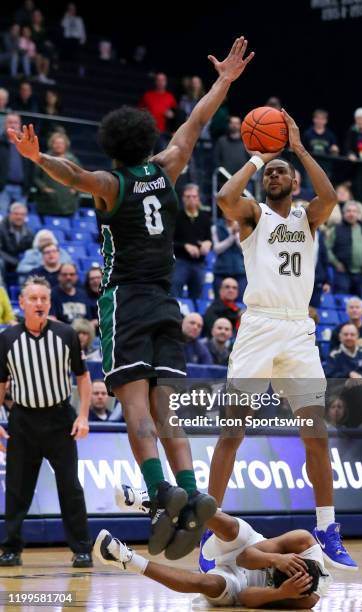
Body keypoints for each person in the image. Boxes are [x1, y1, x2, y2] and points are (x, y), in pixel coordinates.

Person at [7, 37, 255, 560]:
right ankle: (191, 490)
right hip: (169, 303)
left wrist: (37, 157)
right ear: (145, 139)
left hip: (127, 304)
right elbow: (194, 125)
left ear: (113, 145)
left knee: (136, 406)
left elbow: (73, 175)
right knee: (170, 412)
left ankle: (162, 491)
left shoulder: (112, 184)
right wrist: (224, 81)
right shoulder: (168, 167)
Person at [207, 108, 357, 569]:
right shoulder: (253, 216)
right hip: (259, 326)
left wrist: (298, 149)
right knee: (233, 430)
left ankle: (327, 528)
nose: (274, 174)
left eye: (281, 172)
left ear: (293, 183)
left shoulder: (308, 218)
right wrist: (257, 156)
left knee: (316, 432)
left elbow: (329, 195)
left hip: (298, 330)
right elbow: (224, 198)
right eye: (269, 172)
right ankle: (208, 535)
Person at [0, 276, 93, 568]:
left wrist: (83, 415)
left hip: (59, 419)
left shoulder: (66, 334)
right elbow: (1, 383)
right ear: (22, 303)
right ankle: (11, 549)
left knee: (70, 486)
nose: (39, 303)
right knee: (17, 488)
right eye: (34, 298)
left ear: (50, 303)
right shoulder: (7, 339)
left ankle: (81, 549)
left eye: (44, 298)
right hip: (23, 419)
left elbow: (83, 376)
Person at [94, 499, 331, 609]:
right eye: (286, 569)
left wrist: (280, 592)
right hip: (252, 550)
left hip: (242, 582)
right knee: (231, 527)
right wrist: (276, 559)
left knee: (207, 583)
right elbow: (244, 557)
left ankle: (125, 559)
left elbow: (247, 596)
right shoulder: (303, 541)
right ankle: (155, 504)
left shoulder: (305, 597)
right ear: (298, 558)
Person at [171, 183, 212, 300]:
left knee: (198, 298)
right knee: (176, 295)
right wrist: (185, 246)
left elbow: (209, 239)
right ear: (183, 199)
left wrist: (208, 243)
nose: (191, 200)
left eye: (194, 196)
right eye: (188, 196)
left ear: (198, 198)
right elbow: (169, 242)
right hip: (180, 262)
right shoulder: (176, 217)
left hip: (199, 263)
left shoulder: (205, 218)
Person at [325, 201, 362, 297]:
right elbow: (327, 249)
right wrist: (336, 263)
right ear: (344, 213)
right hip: (342, 273)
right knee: (342, 300)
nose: (351, 214)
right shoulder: (337, 229)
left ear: (358, 214)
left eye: (354, 211)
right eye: (349, 211)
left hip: (360, 273)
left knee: (359, 303)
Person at [34, 131, 80, 216]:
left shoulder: (73, 160)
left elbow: (80, 178)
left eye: (61, 143)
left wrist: (75, 189)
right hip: (48, 201)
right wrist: (44, 188)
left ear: (66, 145)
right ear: (51, 144)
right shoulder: (43, 158)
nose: (58, 145)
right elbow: (35, 177)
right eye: (56, 143)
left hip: (68, 202)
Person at [0, 113, 33, 213]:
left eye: (15, 122)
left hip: (21, 189)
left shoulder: (26, 144)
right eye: (10, 122)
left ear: (20, 125)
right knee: (1, 218)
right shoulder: (0, 143)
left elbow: (32, 167)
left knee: (20, 218)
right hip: (2, 188)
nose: (13, 125)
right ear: (5, 124)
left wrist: (28, 186)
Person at [211, 215, 246, 300]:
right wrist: (231, 237)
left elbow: (245, 248)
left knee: (241, 302)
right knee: (219, 301)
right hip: (221, 270)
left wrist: (236, 234)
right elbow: (216, 249)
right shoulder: (215, 227)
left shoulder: (243, 227)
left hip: (240, 271)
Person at [0, 202, 34, 278]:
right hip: (5, 260)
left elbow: (31, 250)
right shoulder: (1, 228)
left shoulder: (29, 232)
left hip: (19, 261)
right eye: (16, 214)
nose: (19, 217)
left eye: (22, 214)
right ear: (10, 214)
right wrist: (15, 262)